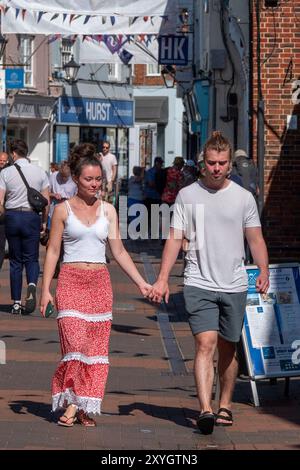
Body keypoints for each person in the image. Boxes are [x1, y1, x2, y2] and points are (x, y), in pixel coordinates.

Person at [148, 131, 269, 435]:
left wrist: (263, 270)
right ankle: (205, 409)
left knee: (228, 350)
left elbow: (254, 239)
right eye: (211, 162)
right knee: (205, 343)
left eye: (222, 163)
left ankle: (224, 404)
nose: (216, 168)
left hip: (235, 283)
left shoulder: (243, 198)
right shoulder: (188, 195)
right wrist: (162, 278)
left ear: (230, 165)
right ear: (203, 162)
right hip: (198, 281)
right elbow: (175, 238)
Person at [40, 143, 152, 427]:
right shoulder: (62, 210)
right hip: (70, 282)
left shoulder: (109, 211)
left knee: (94, 351)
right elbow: (53, 250)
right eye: (89, 179)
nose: (94, 184)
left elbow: (120, 252)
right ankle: (73, 404)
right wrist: (45, 290)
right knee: (74, 345)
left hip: (99, 284)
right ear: (76, 179)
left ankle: (80, 406)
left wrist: (142, 283)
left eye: (98, 179)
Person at [0, 140, 49, 315]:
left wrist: (5, 215)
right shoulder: (41, 173)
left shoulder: (5, 173)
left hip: (13, 216)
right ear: (26, 152)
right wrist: (43, 222)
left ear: (13, 154)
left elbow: (0, 201)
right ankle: (32, 285)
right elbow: (46, 202)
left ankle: (16, 303)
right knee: (32, 258)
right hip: (31, 217)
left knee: (15, 261)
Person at [0, 152, 9, 272]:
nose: (2, 163)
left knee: (1, 242)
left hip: (4, 212)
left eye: (3, 161)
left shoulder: (9, 173)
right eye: (0, 160)